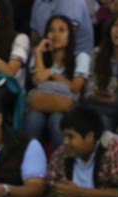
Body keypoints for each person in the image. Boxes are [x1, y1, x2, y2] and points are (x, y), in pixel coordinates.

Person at [25, 16, 90, 149]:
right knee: (34, 117)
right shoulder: (39, 57)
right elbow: (37, 80)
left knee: (57, 119)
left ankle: (64, 164)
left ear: (70, 35)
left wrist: (52, 74)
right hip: (42, 103)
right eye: (51, 30)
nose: (56, 35)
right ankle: (27, 161)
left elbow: (76, 87)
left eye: (61, 30)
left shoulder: (81, 57)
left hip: (68, 108)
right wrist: (37, 52)